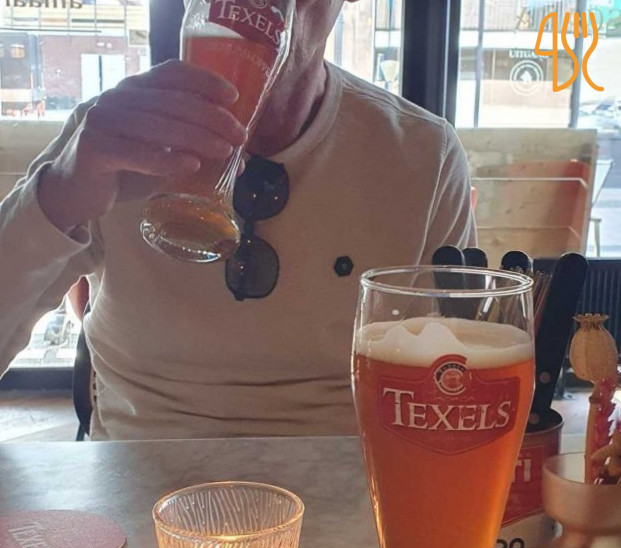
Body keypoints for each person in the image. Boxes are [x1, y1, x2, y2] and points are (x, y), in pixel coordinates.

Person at [0, 0, 475, 440]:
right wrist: (58, 196)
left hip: (341, 480)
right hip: (139, 476)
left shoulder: (421, 154)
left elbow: (453, 377)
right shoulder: (110, 138)